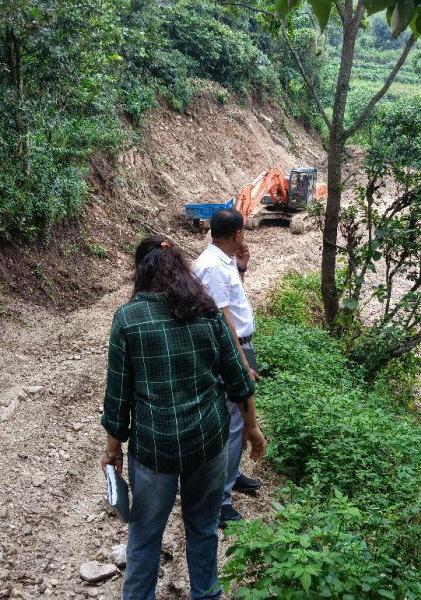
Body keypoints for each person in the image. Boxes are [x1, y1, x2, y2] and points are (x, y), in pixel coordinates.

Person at [100, 236, 266, 600]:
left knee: (145, 534)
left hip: (154, 447)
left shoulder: (128, 318)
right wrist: (252, 427)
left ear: (140, 272)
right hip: (207, 442)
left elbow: (118, 396)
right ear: (181, 269)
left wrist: (113, 450)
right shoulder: (207, 312)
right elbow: (239, 381)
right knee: (203, 528)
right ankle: (206, 595)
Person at [193, 208, 262, 529]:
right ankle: (220, 498)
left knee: (238, 419)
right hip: (232, 351)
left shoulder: (223, 262)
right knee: (234, 423)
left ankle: (231, 475)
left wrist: (242, 268)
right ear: (237, 233)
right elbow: (223, 320)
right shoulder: (213, 268)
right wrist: (240, 362)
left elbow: (231, 304)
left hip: (241, 347)